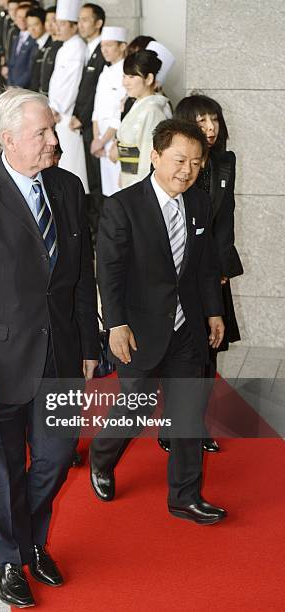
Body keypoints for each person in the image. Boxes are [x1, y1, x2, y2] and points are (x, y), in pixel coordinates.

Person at [0, 88, 99, 608]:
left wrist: (88, 346)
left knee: (53, 460)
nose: (54, 140)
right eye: (43, 133)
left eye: (52, 130)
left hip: (61, 356)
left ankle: (27, 538)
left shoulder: (69, 188)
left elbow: (79, 278)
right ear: (8, 139)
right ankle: (12, 557)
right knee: (3, 468)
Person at [90, 118, 228, 526]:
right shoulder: (123, 207)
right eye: (179, 159)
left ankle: (185, 497)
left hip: (187, 328)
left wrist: (213, 310)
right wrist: (115, 324)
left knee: (188, 411)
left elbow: (203, 267)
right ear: (155, 156)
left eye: (197, 163)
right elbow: (108, 272)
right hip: (138, 329)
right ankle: (102, 456)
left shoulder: (199, 203)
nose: (187, 170)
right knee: (137, 407)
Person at [155, 93, 244, 454]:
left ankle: (195, 425)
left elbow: (226, 218)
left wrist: (221, 268)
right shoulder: (175, 162)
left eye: (215, 120)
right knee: (177, 354)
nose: (210, 128)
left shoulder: (224, 162)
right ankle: (170, 424)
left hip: (212, 274)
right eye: (202, 121)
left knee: (210, 353)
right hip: (177, 274)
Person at [70, 2, 106, 236]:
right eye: (79, 19)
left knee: (97, 181)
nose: (80, 24)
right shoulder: (89, 49)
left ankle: (100, 230)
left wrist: (80, 116)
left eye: (85, 19)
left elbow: (95, 94)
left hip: (95, 126)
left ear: (98, 23)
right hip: (84, 123)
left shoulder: (102, 51)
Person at [109, 50, 170, 189]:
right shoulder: (138, 104)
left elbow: (147, 157)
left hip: (138, 181)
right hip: (128, 176)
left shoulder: (152, 110)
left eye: (131, 77)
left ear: (148, 79)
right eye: (124, 76)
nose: (125, 82)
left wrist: (140, 188)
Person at [48, 0, 88, 192]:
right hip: (56, 111)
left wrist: (57, 107)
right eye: (57, 22)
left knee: (71, 165)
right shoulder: (64, 47)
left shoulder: (78, 47)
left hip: (65, 112)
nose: (58, 27)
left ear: (74, 25)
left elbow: (72, 83)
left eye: (63, 23)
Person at [91, 26, 127, 196]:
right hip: (101, 140)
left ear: (122, 46)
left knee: (120, 190)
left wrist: (103, 139)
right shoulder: (104, 73)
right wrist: (96, 138)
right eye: (102, 45)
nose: (104, 50)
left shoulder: (126, 73)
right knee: (108, 191)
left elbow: (120, 114)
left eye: (109, 45)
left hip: (116, 139)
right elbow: (96, 110)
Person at [5, 2, 37, 88]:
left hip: (25, 88)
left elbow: (31, 69)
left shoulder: (34, 39)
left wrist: (17, 86)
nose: (22, 20)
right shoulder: (16, 36)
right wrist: (9, 84)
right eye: (19, 17)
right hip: (12, 87)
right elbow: (11, 62)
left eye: (25, 17)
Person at [38, 6, 62, 96]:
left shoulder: (62, 47)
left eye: (54, 20)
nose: (49, 24)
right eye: (47, 20)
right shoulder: (46, 43)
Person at [27, 6, 52, 92]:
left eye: (36, 25)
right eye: (29, 25)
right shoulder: (35, 44)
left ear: (44, 24)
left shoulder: (51, 44)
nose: (32, 29)